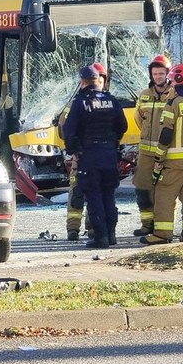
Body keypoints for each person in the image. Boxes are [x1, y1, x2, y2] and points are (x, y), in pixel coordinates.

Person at [141, 63, 183, 245]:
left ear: (178, 80)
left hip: (174, 162)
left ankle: (162, 234)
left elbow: (166, 134)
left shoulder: (174, 104)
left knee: (164, 195)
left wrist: (158, 157)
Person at [62, 64, 127, 249]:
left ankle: (100, 237)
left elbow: (69, 131)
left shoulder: (80, 103)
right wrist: (112, 142)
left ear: (82, 82)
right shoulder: (111, 100)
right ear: (98, 80)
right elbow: (122, 126)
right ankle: (112, 234)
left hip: (89, 156)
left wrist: (73, 149)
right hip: (109, 155)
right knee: (108, 196)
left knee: (94, 196)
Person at [60, 63, 107, 241]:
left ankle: (93, 227)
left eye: (101, 80)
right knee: (77, 193)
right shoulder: (76, 103)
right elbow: (63, 127)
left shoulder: (106, 102)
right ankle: (73, 229)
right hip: (83, 157)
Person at [132, 55, 172, 238]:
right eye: (155, 73)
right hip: (146, 152)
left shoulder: (174, 94)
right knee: (142, 187)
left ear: (168, 74)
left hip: (167, 152)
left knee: (163, 190)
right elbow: (138, 118)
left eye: (161, 73)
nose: (158, 77)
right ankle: (147, 224)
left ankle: (162, 227)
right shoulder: (144, 95)